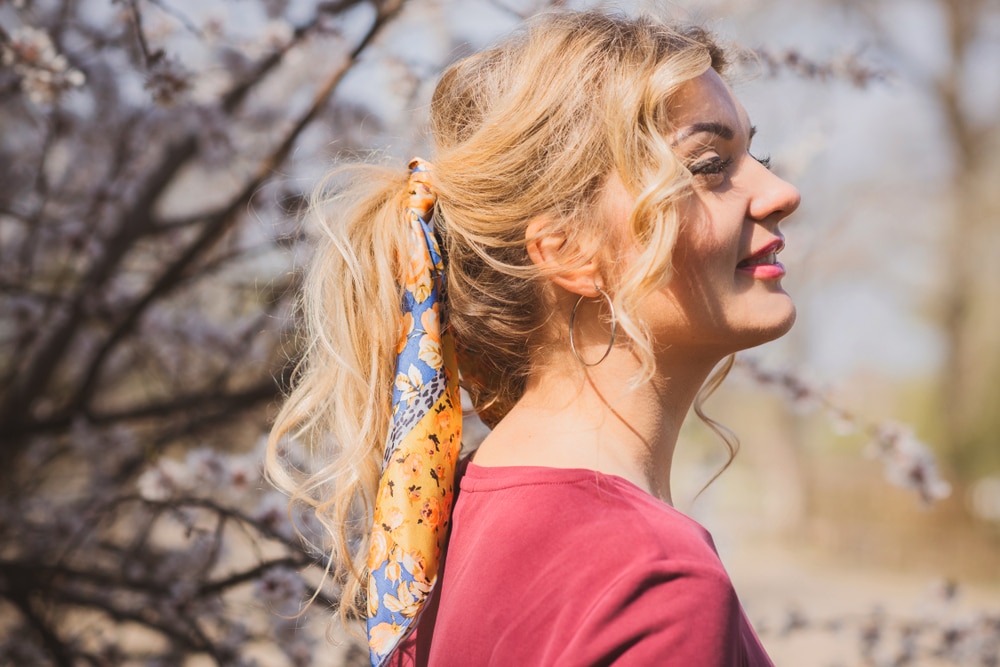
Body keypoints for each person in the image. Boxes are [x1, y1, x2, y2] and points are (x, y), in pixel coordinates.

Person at [267, 9, 800, 666]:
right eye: (710, 164)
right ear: (567, 249)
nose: (781, 192)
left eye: (758, 155)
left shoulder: (446, 521)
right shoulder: (655, 586)